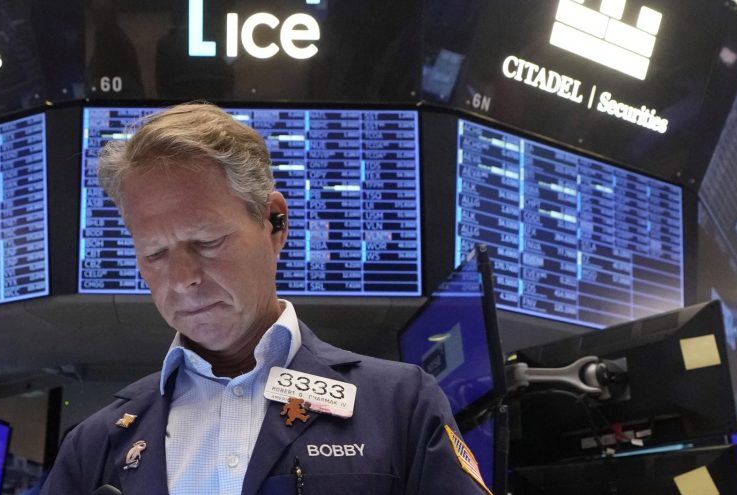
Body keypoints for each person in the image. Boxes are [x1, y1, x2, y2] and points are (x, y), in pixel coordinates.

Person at [42, 103, 491, 495]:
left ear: (275, 222)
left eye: (207, 241)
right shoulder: (94, 445)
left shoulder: (400, 405)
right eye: (154, 253)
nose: (182, 279)